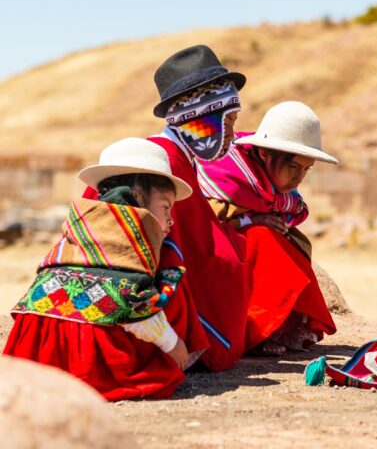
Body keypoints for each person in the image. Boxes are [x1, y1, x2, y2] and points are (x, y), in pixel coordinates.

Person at [3, 138, 208, 400]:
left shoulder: (84, 226)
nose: (170, 220)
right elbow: (133, 309)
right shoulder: (124, 239)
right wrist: (173, 344)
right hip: (86, 363)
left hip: (33, 354)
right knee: (172, 283)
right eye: (166, 207)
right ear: (136, 198)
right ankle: (168, 362)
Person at [197, 101, 339, 355]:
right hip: (210, 253)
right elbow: (203, 219)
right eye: (293, 166)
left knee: (284, 241)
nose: (298, 179)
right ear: (265, 154)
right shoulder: (227, 175)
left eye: (306, 169)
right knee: (262, 238)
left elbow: (291, 211)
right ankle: (255, 330)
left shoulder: (274, 192)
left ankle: (284, 324)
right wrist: (250, 221)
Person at [142, 44, 249, 371]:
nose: (231, 133)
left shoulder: (176, 156)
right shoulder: (166, 162)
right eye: (226, 121)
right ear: (200, 119)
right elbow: (197, 250)